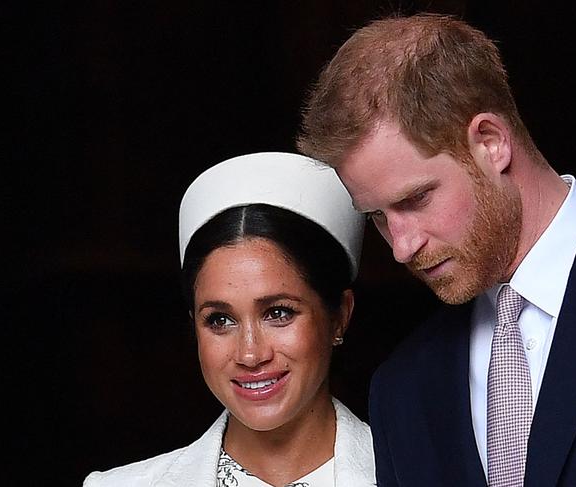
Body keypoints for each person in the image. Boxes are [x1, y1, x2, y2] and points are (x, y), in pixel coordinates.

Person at [296, 13, 576, 487]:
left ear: (491, 142)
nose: (401, 247)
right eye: (377, 216)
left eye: (415, 199)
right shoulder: (402, 390)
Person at [83, 152, 375, 486]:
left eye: (278, 313)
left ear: (340, 315)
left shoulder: (423, 473)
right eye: (220, 320)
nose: (250, 355)